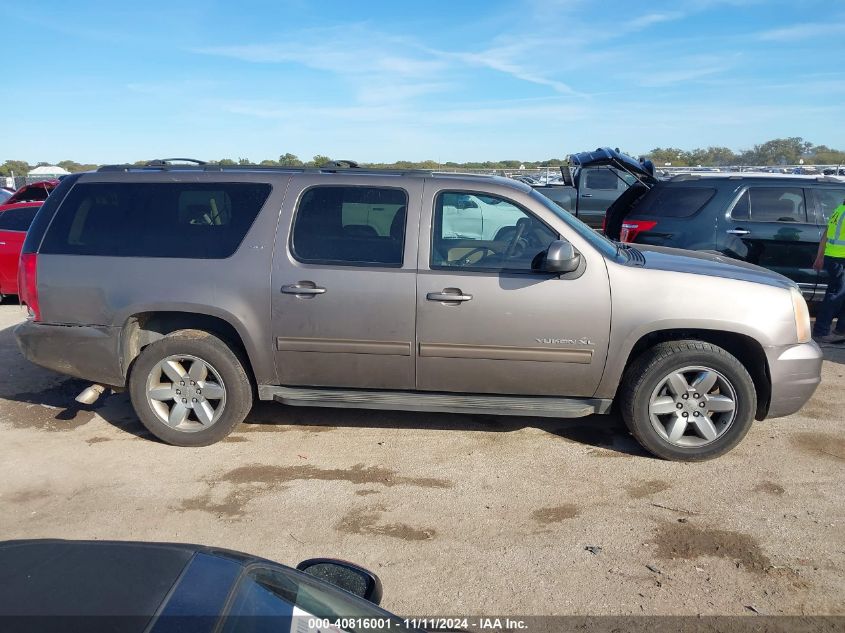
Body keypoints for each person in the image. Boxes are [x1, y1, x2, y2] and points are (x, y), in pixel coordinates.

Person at [812, 198, 845, 343]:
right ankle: (821, 331)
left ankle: (841, 329)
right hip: (840, 259)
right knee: (836, 294)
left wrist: (820, 256)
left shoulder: (839, 210)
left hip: (833, 257)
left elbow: (826, 234)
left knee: (839, 293)